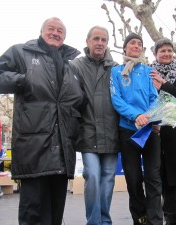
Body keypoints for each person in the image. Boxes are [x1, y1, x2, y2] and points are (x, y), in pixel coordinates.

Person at [0, 17, 86, 225]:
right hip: (34, 148)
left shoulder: (71, 68)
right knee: (32, 211)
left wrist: (75, 129)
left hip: (62, 150)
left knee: (56, 211)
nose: (56, 33)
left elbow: (78, 102)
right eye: (51, 28)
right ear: (41, 31)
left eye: (60, 30)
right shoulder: (21, 52)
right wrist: (21, 80)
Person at [110, 33, 163, 225]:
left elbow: (154, 98)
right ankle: (140, 218)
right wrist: (136, 115)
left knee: (153, 177)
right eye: (132, 43)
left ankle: (156, 220)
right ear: (125, 48)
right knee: (133, 178)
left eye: (139, 44)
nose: (136, 46)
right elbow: (116, 100)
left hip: (149, 130)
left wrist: (150, 117)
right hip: (127, 130)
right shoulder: (116, 72)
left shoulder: (148, 71)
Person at [70, 26, 120, 225]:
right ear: (88, 41)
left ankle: (104, 221)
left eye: (104, 40)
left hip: (111, 132)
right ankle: (94, 221)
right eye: (96, 39)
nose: (100, 43)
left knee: (108, 179)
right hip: (88, 131)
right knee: (92, 175)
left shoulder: (116, 67)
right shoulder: (76, 66)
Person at [150, 38, 176, 225]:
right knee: (164, 178)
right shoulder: (149, 74)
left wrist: (165, 85)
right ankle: (169, 219)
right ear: (155, 54)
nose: (166, 54)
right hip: (157, 132)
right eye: (162, 51)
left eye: (169, 50)